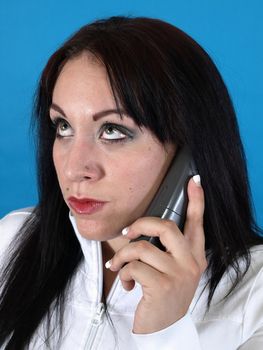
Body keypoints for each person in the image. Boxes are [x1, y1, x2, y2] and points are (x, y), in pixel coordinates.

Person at [0, 16, 262, 350]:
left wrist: (165, 334)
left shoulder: (257, 295)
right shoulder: (10, 242)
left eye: (112, 130)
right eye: (63, 126)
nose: (74, 168)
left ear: (190, 153)